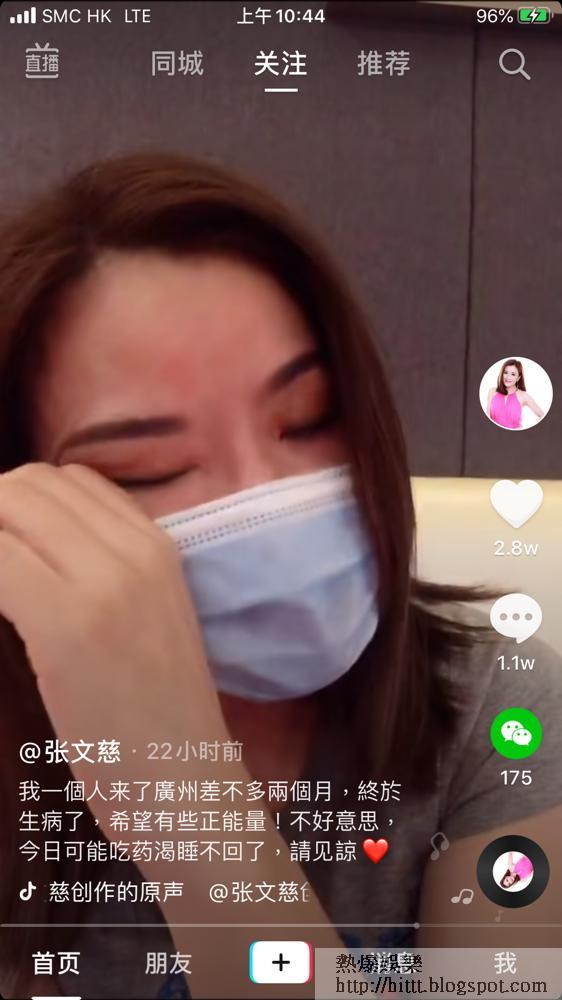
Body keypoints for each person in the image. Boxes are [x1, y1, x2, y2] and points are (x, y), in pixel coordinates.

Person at [0, 153, 560, 999]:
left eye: (309, 417)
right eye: (146, 469)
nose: (261, 494)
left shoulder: (499, 707)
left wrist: (187, 802)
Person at [487, 358, 545, 430]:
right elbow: (487, 416)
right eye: (505, 372)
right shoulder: (492, 391)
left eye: (513, 374)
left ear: (518, 378)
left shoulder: (523, 396)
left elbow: (542, 415)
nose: (508, 377)